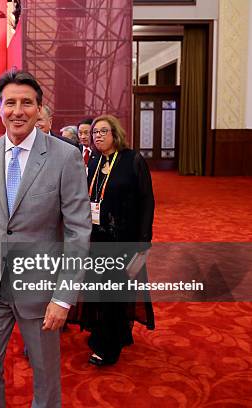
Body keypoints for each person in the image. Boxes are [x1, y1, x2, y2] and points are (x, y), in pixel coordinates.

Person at [0, 70, 91, 408]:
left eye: (27, 103)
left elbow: (78, 231)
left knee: (45, 372)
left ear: (39, 109)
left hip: (40, 284)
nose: (18, 111)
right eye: (10, 103)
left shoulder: (65, 157)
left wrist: (63, 298)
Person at [80, 114, 155, 366]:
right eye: (94, 133)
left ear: (115, 133)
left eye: (103, 131)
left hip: (124, 238)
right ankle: (116, 332)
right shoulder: (94, 162)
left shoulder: (132, 160)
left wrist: (144, 242)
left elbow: (147, 202)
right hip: (96, 237)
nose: (98, 136)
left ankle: (107, 346)